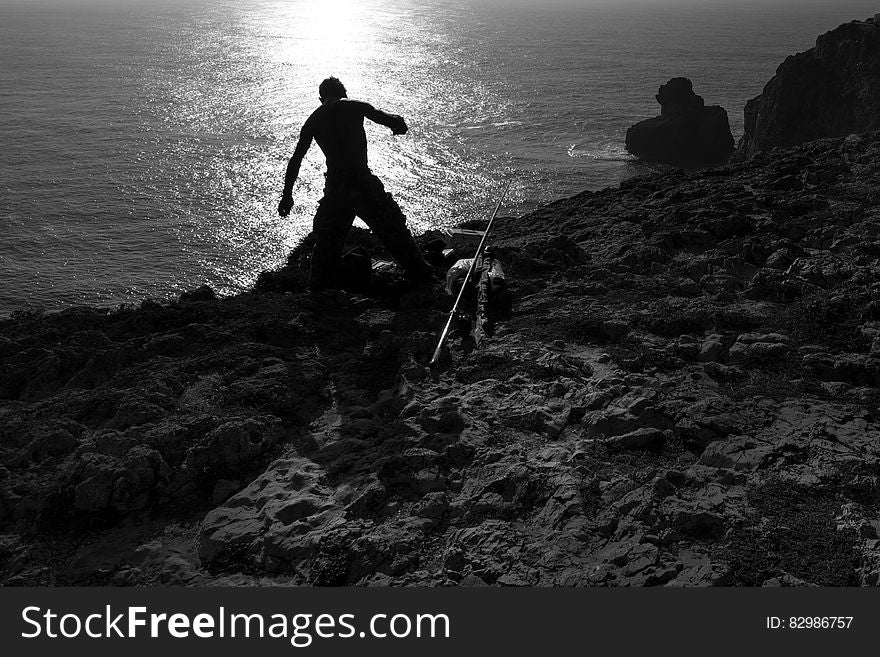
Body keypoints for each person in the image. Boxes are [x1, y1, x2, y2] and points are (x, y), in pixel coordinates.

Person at [277, 77, 434, 291]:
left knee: (326, 247)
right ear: (344, 92)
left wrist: (287, 195)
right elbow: (388, 119)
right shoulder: (355, 106)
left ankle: (317, 292)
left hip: (335, 189)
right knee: (394, 231)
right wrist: (398, 123)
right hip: (362, 183)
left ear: (321, 98)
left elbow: (296, 159)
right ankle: (420, 274)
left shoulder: (313, 120)